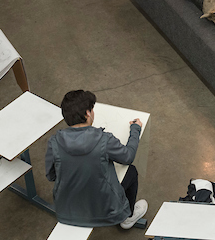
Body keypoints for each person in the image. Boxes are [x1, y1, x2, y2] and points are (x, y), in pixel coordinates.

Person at [44, 89, 148, 229]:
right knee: (131, 171)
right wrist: (135, 129)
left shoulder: (54, 142)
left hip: (66, 212)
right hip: (106, 211)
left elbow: (51, 176)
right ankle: (128, 218)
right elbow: (128, 157)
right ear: (88, 113)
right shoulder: (104, 139)